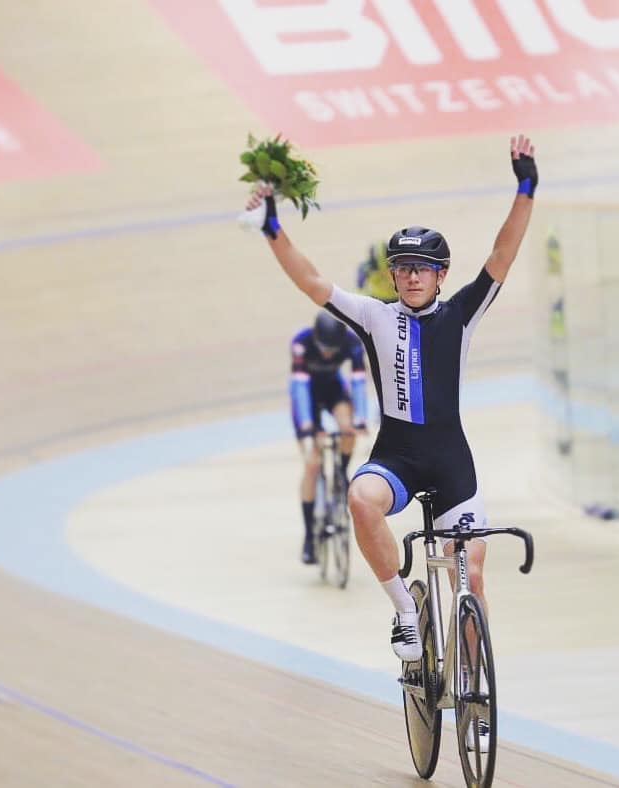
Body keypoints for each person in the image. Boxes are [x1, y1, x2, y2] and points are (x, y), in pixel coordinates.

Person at [245, 133, 536, 747]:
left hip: (451, 462)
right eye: (401, 268)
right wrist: (272, 226)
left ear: (440, 275)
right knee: (359, 498)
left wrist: (525, 187)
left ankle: (475, 697)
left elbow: (503, 254)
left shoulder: (461, 312)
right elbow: (313, 282)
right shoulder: (376, 315)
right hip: (398, 456)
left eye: (420, 269)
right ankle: (405, 611)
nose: (409, 277)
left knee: (471, 578)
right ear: (392, 274)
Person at [290, 311, 367, 564]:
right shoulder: (301, 343)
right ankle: (309, 537)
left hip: (334, 390)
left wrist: (360, 419)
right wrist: (307, 427)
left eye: (332, 350)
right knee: (312, 464)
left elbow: (358, 381)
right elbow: (300, 388)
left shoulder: (352, 342)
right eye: (323, 348)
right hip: (307, 397)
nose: (327, 355)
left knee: (348, 426)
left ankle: (341, 472)